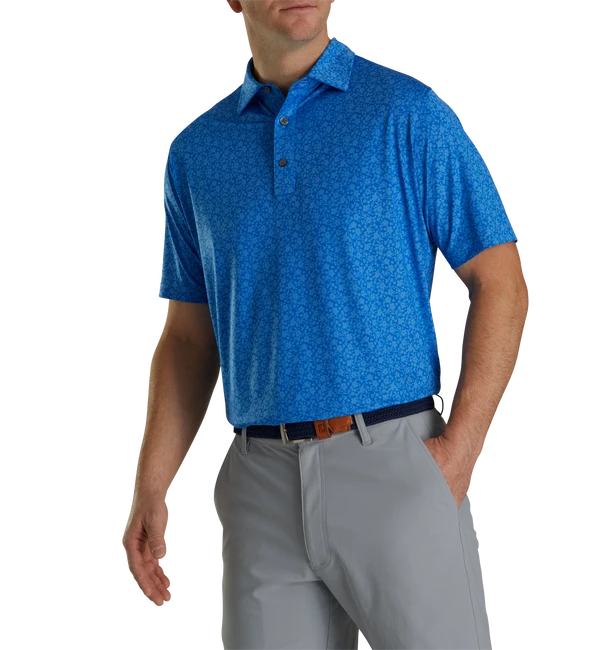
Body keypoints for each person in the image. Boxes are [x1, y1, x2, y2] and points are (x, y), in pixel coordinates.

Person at [121, 1, 531, 648]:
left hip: (393, 463)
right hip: (258, 484)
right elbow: (189, 338)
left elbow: (501, 279)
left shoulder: (405, 112)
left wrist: (461, 449)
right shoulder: (197, 153)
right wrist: (150, 487)